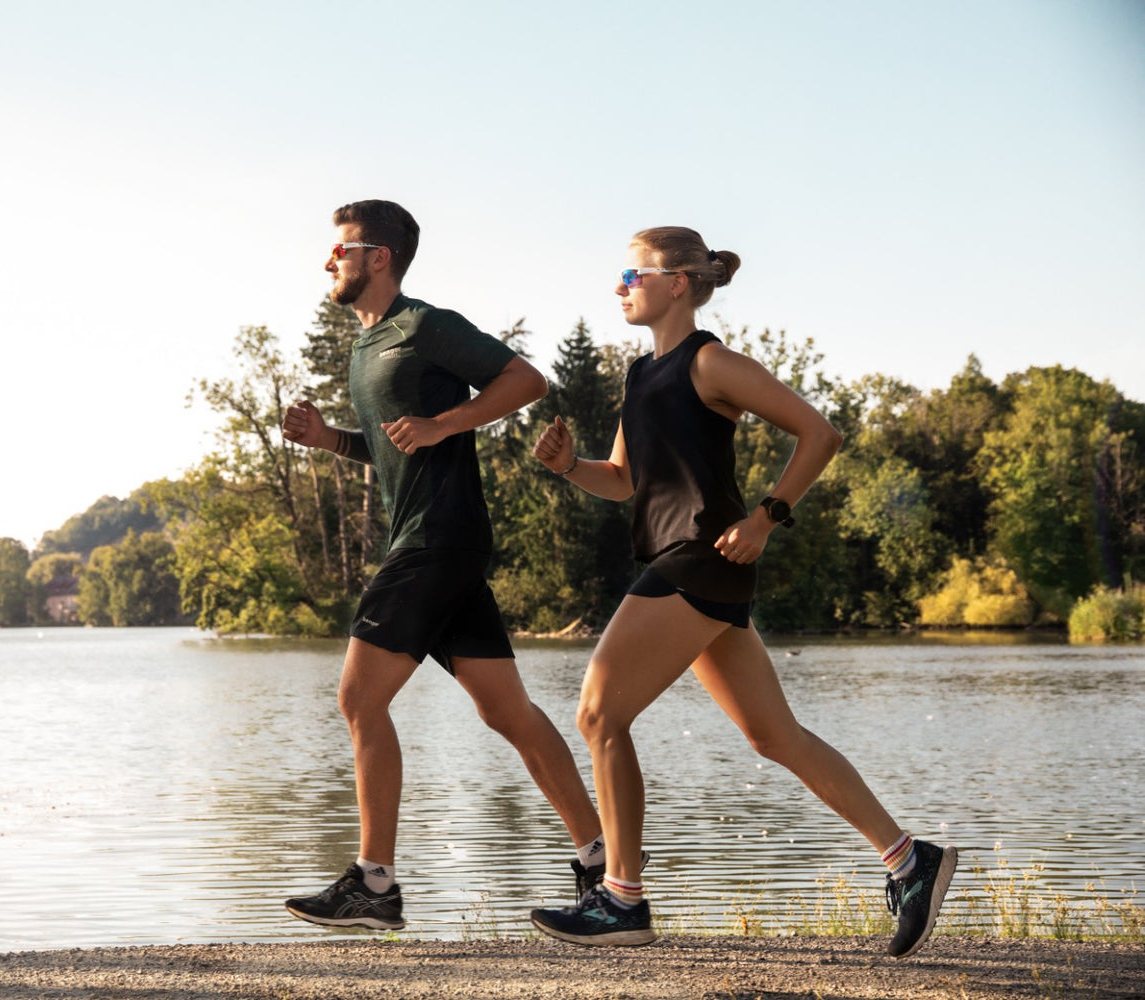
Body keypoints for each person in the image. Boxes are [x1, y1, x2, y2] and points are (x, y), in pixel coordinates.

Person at [527, 226, 957, 958]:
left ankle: (622, 898)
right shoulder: (639, 376)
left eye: (634, 273)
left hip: (701, 557)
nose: (620, 285)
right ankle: (910, 861)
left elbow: (819, 433)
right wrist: (573, 467)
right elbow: (626, 481)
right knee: (772, 735)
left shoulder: (712, 362)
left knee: (598, 712)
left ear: (679, 283)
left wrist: (768, 516)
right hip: (683, 559)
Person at [280, 199, 612, 930]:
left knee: (358, 700)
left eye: (341, 249)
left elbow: (527, 379)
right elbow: (399, 443)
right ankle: (603, 862)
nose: (327, 260)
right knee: (508, 712)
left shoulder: (425, 325)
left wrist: (448, 420)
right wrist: (331, 440)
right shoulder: (365, 349)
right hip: (436, 542)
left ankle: (374, 882)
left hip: (436, 538)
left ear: (379, 257)